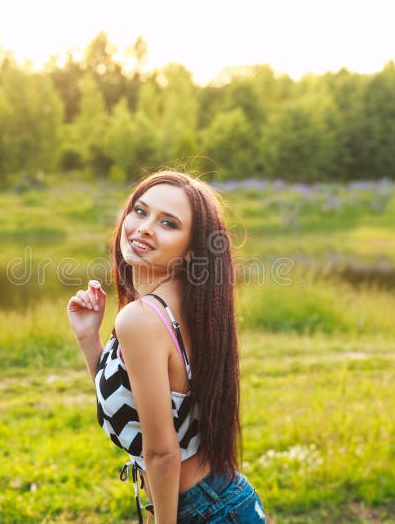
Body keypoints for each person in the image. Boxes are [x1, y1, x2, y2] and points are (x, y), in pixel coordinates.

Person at [67, 170, 266, 523]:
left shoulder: (142, 318)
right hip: (225, 500)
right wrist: (89, 339)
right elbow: (136, 405)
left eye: (168, 223)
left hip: (199, 510)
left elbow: (161, 452)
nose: (144, 227)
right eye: (140, 211)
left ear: (191, 250)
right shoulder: (191, 308)